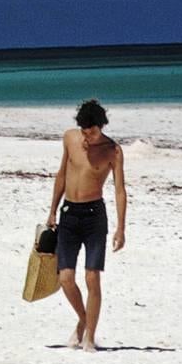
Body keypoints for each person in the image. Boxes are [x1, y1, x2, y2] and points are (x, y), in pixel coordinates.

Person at [46, 98, 127, 351]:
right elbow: (62, 174)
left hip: (94, 216)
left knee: (93, 278)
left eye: (91, 131)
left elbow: (120, 191)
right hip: (69, 213)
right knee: (66, 278)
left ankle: (89, 337)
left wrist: (121, 227)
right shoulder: (70, 139)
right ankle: (84, 319)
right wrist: (52, 211)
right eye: (83, 130)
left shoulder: (112, 151)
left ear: (101, 126)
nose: (86, 136)